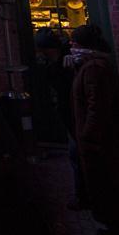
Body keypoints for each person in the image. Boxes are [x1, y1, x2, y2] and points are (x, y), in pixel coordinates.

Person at [68, 24, 119, 235]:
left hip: (104, 142)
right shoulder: (92, 65)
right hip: (105, 139)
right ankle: (118, 229)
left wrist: (88, 135)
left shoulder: (94, 68)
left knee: (110, 186)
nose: (71, 45)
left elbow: (97, 106)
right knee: (109, 185)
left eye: (74, 42)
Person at [33, 28, 86, 209]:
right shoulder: (55, 61)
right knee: (75, 155)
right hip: (68, 112)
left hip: (75, 113)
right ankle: (84, 194)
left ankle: (84, 196)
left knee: (78, 155)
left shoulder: (71, 61)